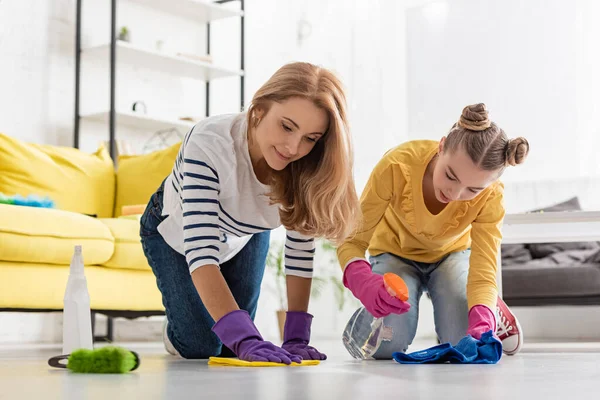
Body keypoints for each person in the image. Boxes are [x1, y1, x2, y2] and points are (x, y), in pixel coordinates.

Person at [140, 62, 360, 363]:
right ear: (258, 111)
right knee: (202, 345)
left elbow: (299, 248)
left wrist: (296, 337)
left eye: (311, 138)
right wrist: (243, 336)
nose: (293, 147)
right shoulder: (210, 143)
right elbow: (202, 252)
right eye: (286, 126)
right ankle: (176, 330)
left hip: (245, 232)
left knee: (232, 346)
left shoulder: (305, 166)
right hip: (176, 232)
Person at [338, 103, 529, 358]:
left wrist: (480, 316)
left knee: (465, 343)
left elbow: (483, 268)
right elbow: (353, 239)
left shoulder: (492, 197)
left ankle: (487, 306)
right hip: (395, 253)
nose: (454, 193)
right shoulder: (397, 165)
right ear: (441, 147)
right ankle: (471, 303)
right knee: (387, 347)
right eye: (450, 175)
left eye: (472, 190)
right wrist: (361, 279)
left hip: (451, 256)